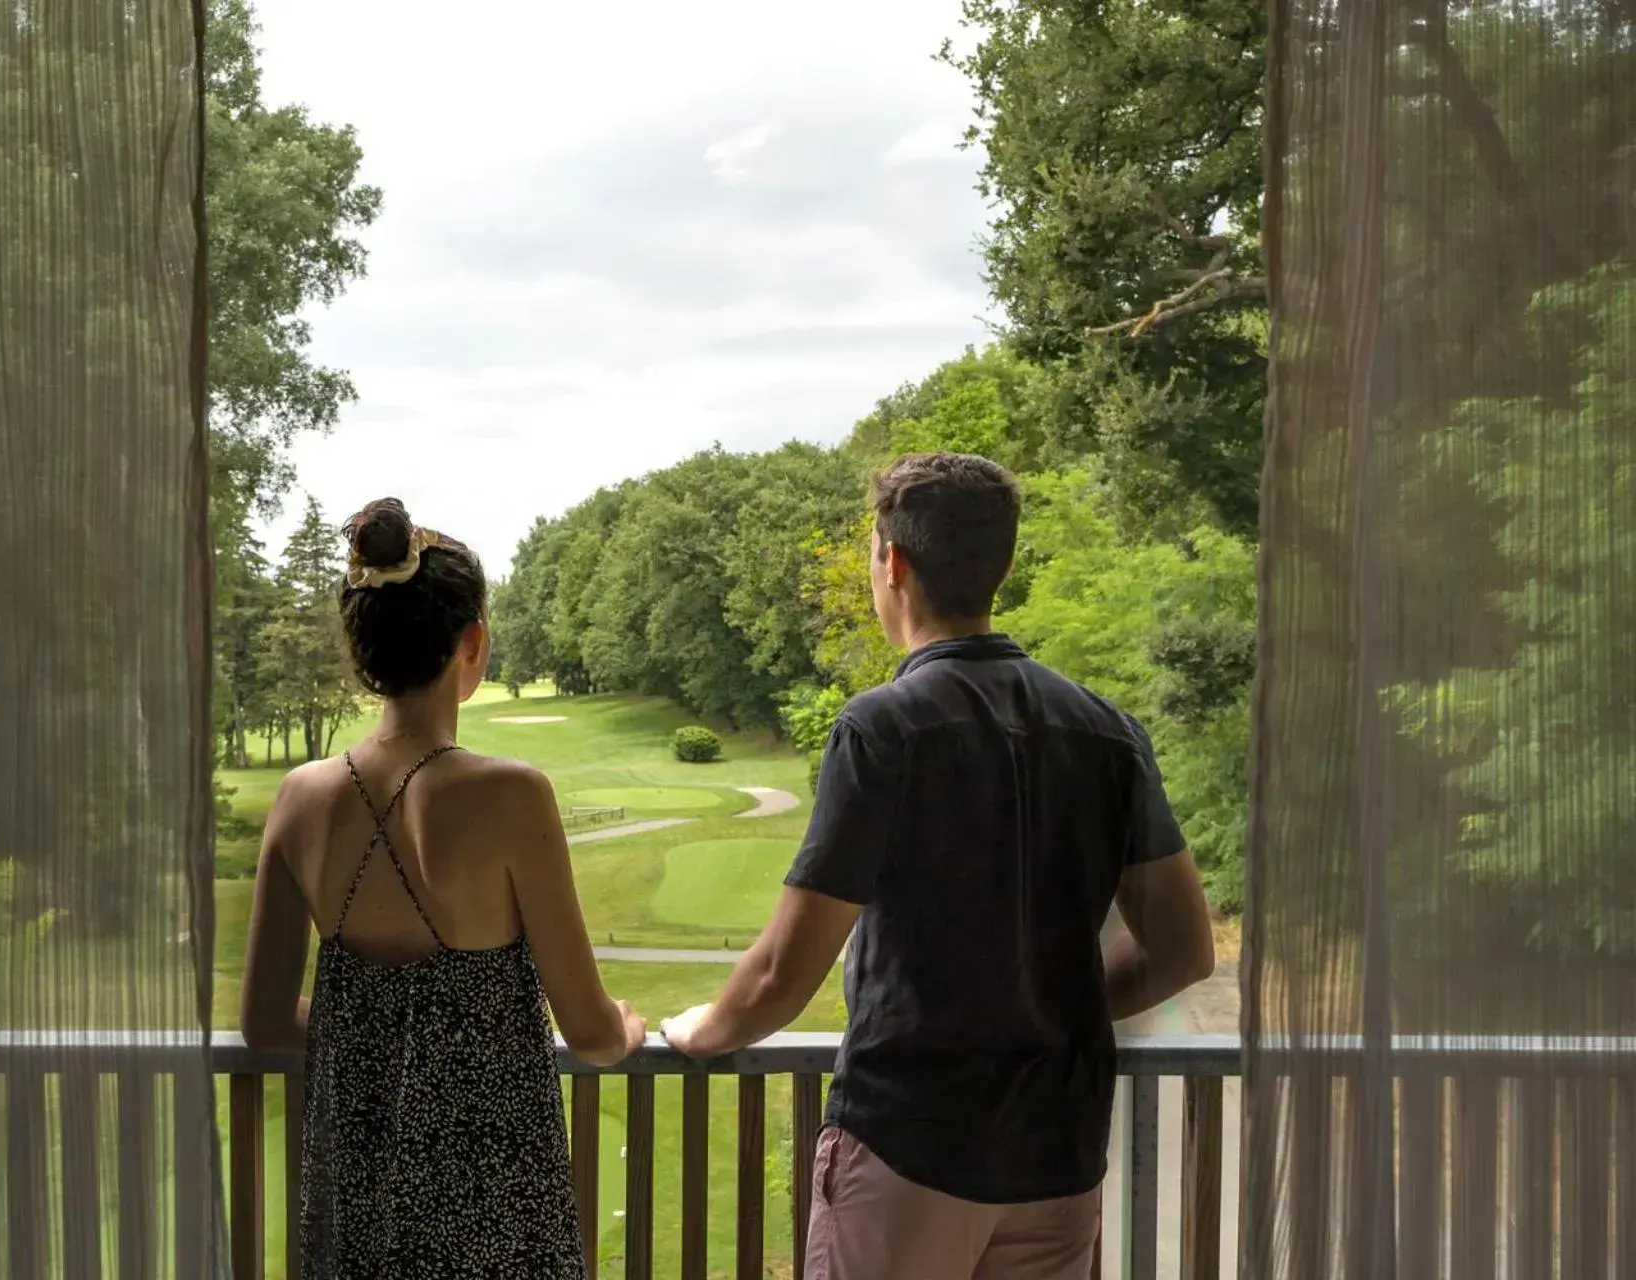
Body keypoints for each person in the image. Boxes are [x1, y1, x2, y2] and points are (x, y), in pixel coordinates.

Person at [661, 453, 1216, 1280]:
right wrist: (1039, 1005)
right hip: (1057, 1158)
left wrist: (701, 1032)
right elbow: (1183, 949)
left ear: (893, 562)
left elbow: (785, 966)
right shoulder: (1107, 731)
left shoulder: (881, 729)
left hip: (909, 1146)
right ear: (1004, 564)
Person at [239, 497, 645, 1279]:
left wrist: (376, 1032)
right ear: (474, 644)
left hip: (358, 1206)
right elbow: (590, 1033)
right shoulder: (511, 796)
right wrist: (625, 1029)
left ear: (363, 654)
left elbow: (263, 1021)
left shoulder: (301, 798)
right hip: (496, 1204)